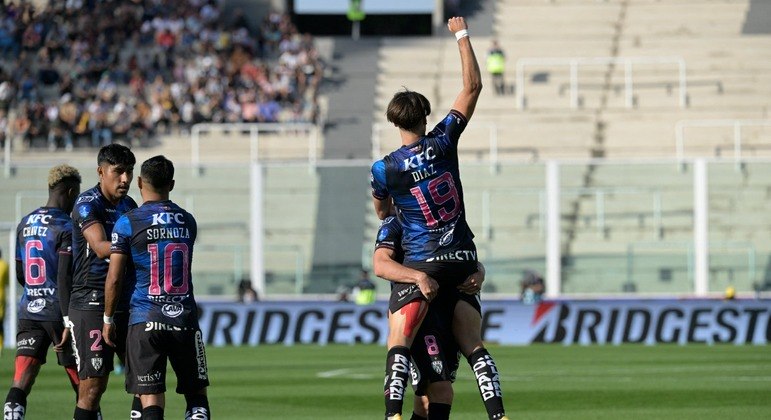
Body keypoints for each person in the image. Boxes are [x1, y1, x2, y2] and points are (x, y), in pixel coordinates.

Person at [370, 16, 507, 420]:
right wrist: (461, 35)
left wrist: (394, 201)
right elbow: (472, 87)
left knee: (400, 340)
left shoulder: (385, 169)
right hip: (462, 257)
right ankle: (499, 414)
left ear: (395, 122)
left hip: (422, 260)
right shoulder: (445, 140)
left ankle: (391, 414)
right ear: (425, 118)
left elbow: (383, 211)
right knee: (472, 349)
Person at [103, 155, 210, 420]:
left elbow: (115, 278)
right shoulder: (188, 220)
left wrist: (108, 319)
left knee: (149, 399)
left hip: (145, 318)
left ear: (139, 181)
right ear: (171, 184)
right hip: (184, 320)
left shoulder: (127, 222)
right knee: (196, 396)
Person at [374, 215, 486, 420]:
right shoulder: (396, 223)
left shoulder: (444, 220)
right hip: (420, 316)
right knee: (441, 390)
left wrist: (479, 271)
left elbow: (462, 257)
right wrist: (418, 277)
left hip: (446, 314)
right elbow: (381, 264)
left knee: (426, 400)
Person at [69, 144, 141, 420]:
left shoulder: (129, 205)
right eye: (119, 172)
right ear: (101, 172)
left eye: (130, 172)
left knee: (143, 382)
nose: (125, 179)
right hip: (90, 302)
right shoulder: (87, 203)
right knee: (93, 388)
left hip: (126, 302)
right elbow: (100, 247)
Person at [4, 164, 81, 420]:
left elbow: (19, 274)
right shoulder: (67, 226)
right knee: (85, 390)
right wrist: (70, 316)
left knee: (20, 383)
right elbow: (65, 276)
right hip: (61, 313)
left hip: (29, 311)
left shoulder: (24, 223)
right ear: (70, 192)